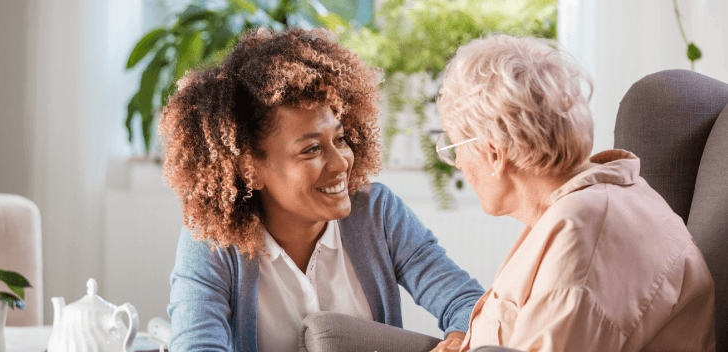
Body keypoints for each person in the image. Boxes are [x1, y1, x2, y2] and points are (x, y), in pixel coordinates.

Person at [159, 27, 484, 352]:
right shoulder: (213, 242)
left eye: (340, 139)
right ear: (249, 169)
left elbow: (469, 304)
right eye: (311, 149)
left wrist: (458, 342)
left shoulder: (378, 213)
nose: (341, 163)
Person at [431, 34, 715, 352]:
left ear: (495, 154)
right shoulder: (585, 204)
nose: (455, 162)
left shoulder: (581, 235)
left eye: (455, 146)